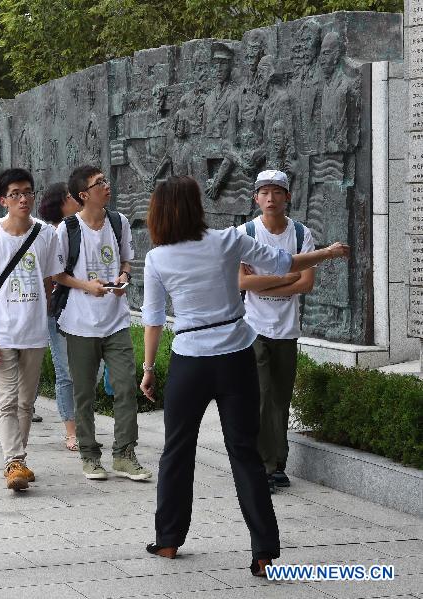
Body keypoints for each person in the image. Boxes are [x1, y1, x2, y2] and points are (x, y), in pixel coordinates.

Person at [138, 175, 349, 575]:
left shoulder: (157, 257)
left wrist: (148, 369)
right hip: (236, 356)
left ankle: (168, 541)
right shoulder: (226, 240)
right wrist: (326, 254)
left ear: (159, 212)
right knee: (245, 453)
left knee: (177, 451)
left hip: (189, 358)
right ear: (196, 206)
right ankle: (264, 551)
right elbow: (285, 262)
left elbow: (152, 320)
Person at [54, 165, 152, 482]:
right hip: (80, 323)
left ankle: (124, 454)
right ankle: (89, 455)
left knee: (125, 387)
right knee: (84, 393)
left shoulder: (118, 221)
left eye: (106, 181)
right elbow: (57, 275)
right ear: (84, 195)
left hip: (116, 320)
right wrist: (87, 286)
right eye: (100, 183)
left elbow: (126, 260)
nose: (107, 186)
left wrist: (123, 276)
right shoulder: (67, 229)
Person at [0, 168, 61, 491]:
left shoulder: (46, 234)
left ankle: (18, 461)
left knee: (26, 402)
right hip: (4, 332)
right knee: (8, 400)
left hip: (34, 331)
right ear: (3, 200)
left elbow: (50, 280)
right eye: (15, 194)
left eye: (27, 192)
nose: (23, 199)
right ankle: (14, 459)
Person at [237, 170, 316, 493]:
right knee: (262, 395)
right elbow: (243, 283)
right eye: (264, 192)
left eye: (277, 192)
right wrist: (287, 277)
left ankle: (277, 464)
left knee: (280, 398)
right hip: (253, 327)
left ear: (287, 197)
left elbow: (307, 282)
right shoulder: (246, 233)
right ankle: (263, 466)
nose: (271, 198)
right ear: (256, 198)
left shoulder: (300, 234)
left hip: (287, 329)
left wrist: (265, 281)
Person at [37, 182, 82, 451]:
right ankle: (71, 430)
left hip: (85, 308)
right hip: (58, 309)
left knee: (91, 370)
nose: (76, 200)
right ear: (62, 202)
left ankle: (81, 420)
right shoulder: (47, 235)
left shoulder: (80, 229)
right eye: (70, 197)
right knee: (65, 371)